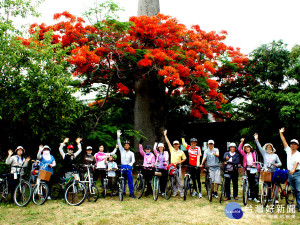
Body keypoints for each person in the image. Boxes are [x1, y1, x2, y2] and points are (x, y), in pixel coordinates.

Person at [279, 128, 300, 212]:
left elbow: (296, 163)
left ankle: (299, 205)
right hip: (289, 173)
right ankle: (298, 203)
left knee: (298, 189)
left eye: (295, 144)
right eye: (292, 144)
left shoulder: (298, 154)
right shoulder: (288, 150)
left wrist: (293, 170)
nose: (293, 145)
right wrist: (281, 133)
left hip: (297, 173)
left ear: (297, 146)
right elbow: (284, 142)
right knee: (294, 189)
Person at [163, 130, 186, 197]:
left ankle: (181, 191)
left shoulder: (181, 152)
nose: (176, 145)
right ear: (173, 145)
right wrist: (165, 135)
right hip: (172, 167)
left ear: (179, 145)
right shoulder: (171, 149)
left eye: (177, 144)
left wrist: (180, 162)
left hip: (178, 167)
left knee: (179, 180)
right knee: (173, 180)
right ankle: (175, 191)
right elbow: (168, 142)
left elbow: (184, 158)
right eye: (174, 144)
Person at [238, 138, 260, 203]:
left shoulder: (254, 153)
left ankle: (255, 197)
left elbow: (255, 160)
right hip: (248, 169)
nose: (247, 149)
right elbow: (239, 149)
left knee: (255, 183)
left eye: (248, 148)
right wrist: (241, 142)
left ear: (250, 148)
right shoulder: (245, 154)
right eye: (245, 148)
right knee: (250, 182)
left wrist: (255, 164)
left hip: (254, 168)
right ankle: (251, 195)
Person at [117, 130, 136, 198]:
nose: (126, 146)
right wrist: (118, 136)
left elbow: (133, 160)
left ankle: (131, 193)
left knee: (130, 180)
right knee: (123, 180)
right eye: (125, 145)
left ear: (129, 146)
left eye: (127, 145)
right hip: (122, 166)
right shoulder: (122, 150)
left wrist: (131, 164)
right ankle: (123, 191)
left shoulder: (131, 153)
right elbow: (119, 144)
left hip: (128, 166)